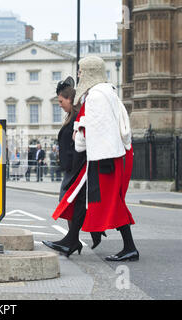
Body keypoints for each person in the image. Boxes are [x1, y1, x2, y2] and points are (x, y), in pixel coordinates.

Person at [48, 56, 138, 262]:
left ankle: (129, 247)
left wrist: (78, 134)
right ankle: (71, 241)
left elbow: (92, 129)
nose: (79, 75)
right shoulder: (108, 93)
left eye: (80, 71)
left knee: (110, 201)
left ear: (88, 72)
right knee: (84, 199)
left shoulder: (97, 95)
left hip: (105, 158)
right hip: (110, 156)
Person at [43, 76, 105, 253]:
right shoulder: (71, 116)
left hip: (76, 170)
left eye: (61, 101)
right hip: (72, 169)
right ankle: (77, 238)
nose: (60, 104)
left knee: (71, 202)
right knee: (71, 203)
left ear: (70, 99)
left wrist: (72, 167)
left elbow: (80, 147)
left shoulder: (78, 118)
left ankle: (79, 237)